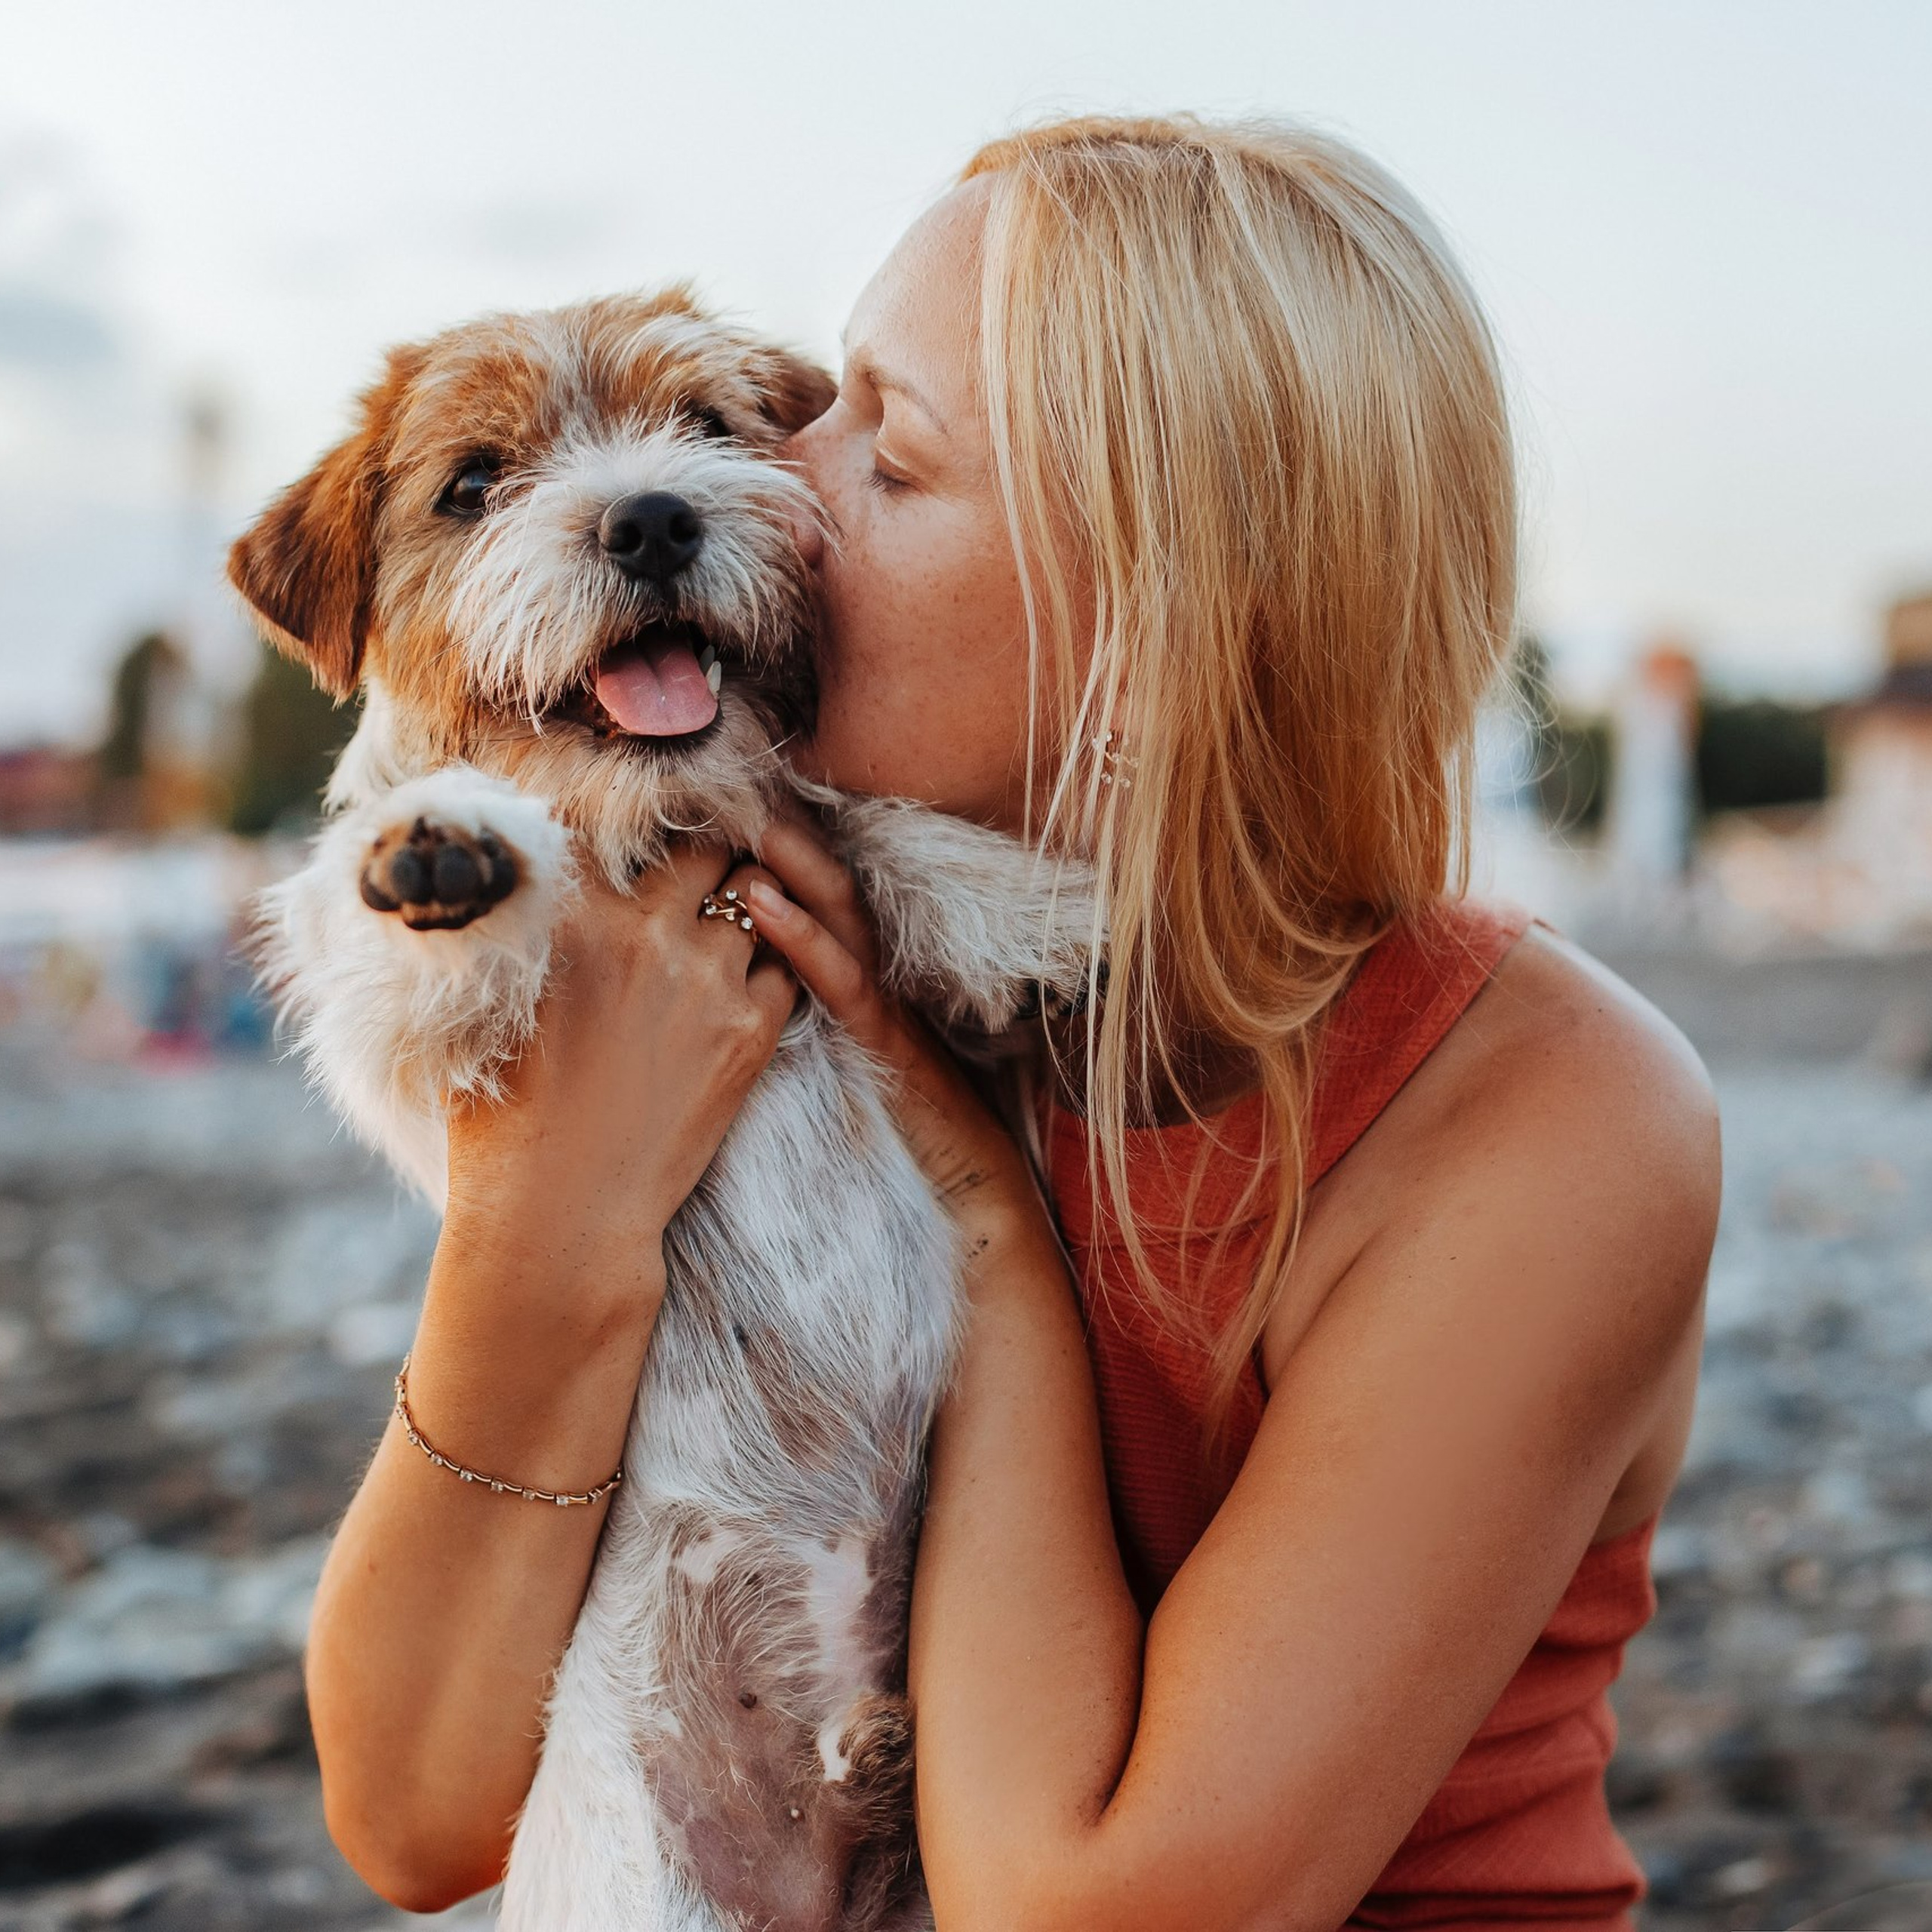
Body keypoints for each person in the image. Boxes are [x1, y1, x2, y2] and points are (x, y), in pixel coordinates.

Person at [307, 115, 1719, 1930]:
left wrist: (981, 1211)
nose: (768, 482)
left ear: (1145, 637)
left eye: (880, 451)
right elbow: (418, 1813)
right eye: (791, 410)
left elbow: (1083, 1911)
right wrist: (546, 1200)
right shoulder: (754, 950)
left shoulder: (1547, 1124)